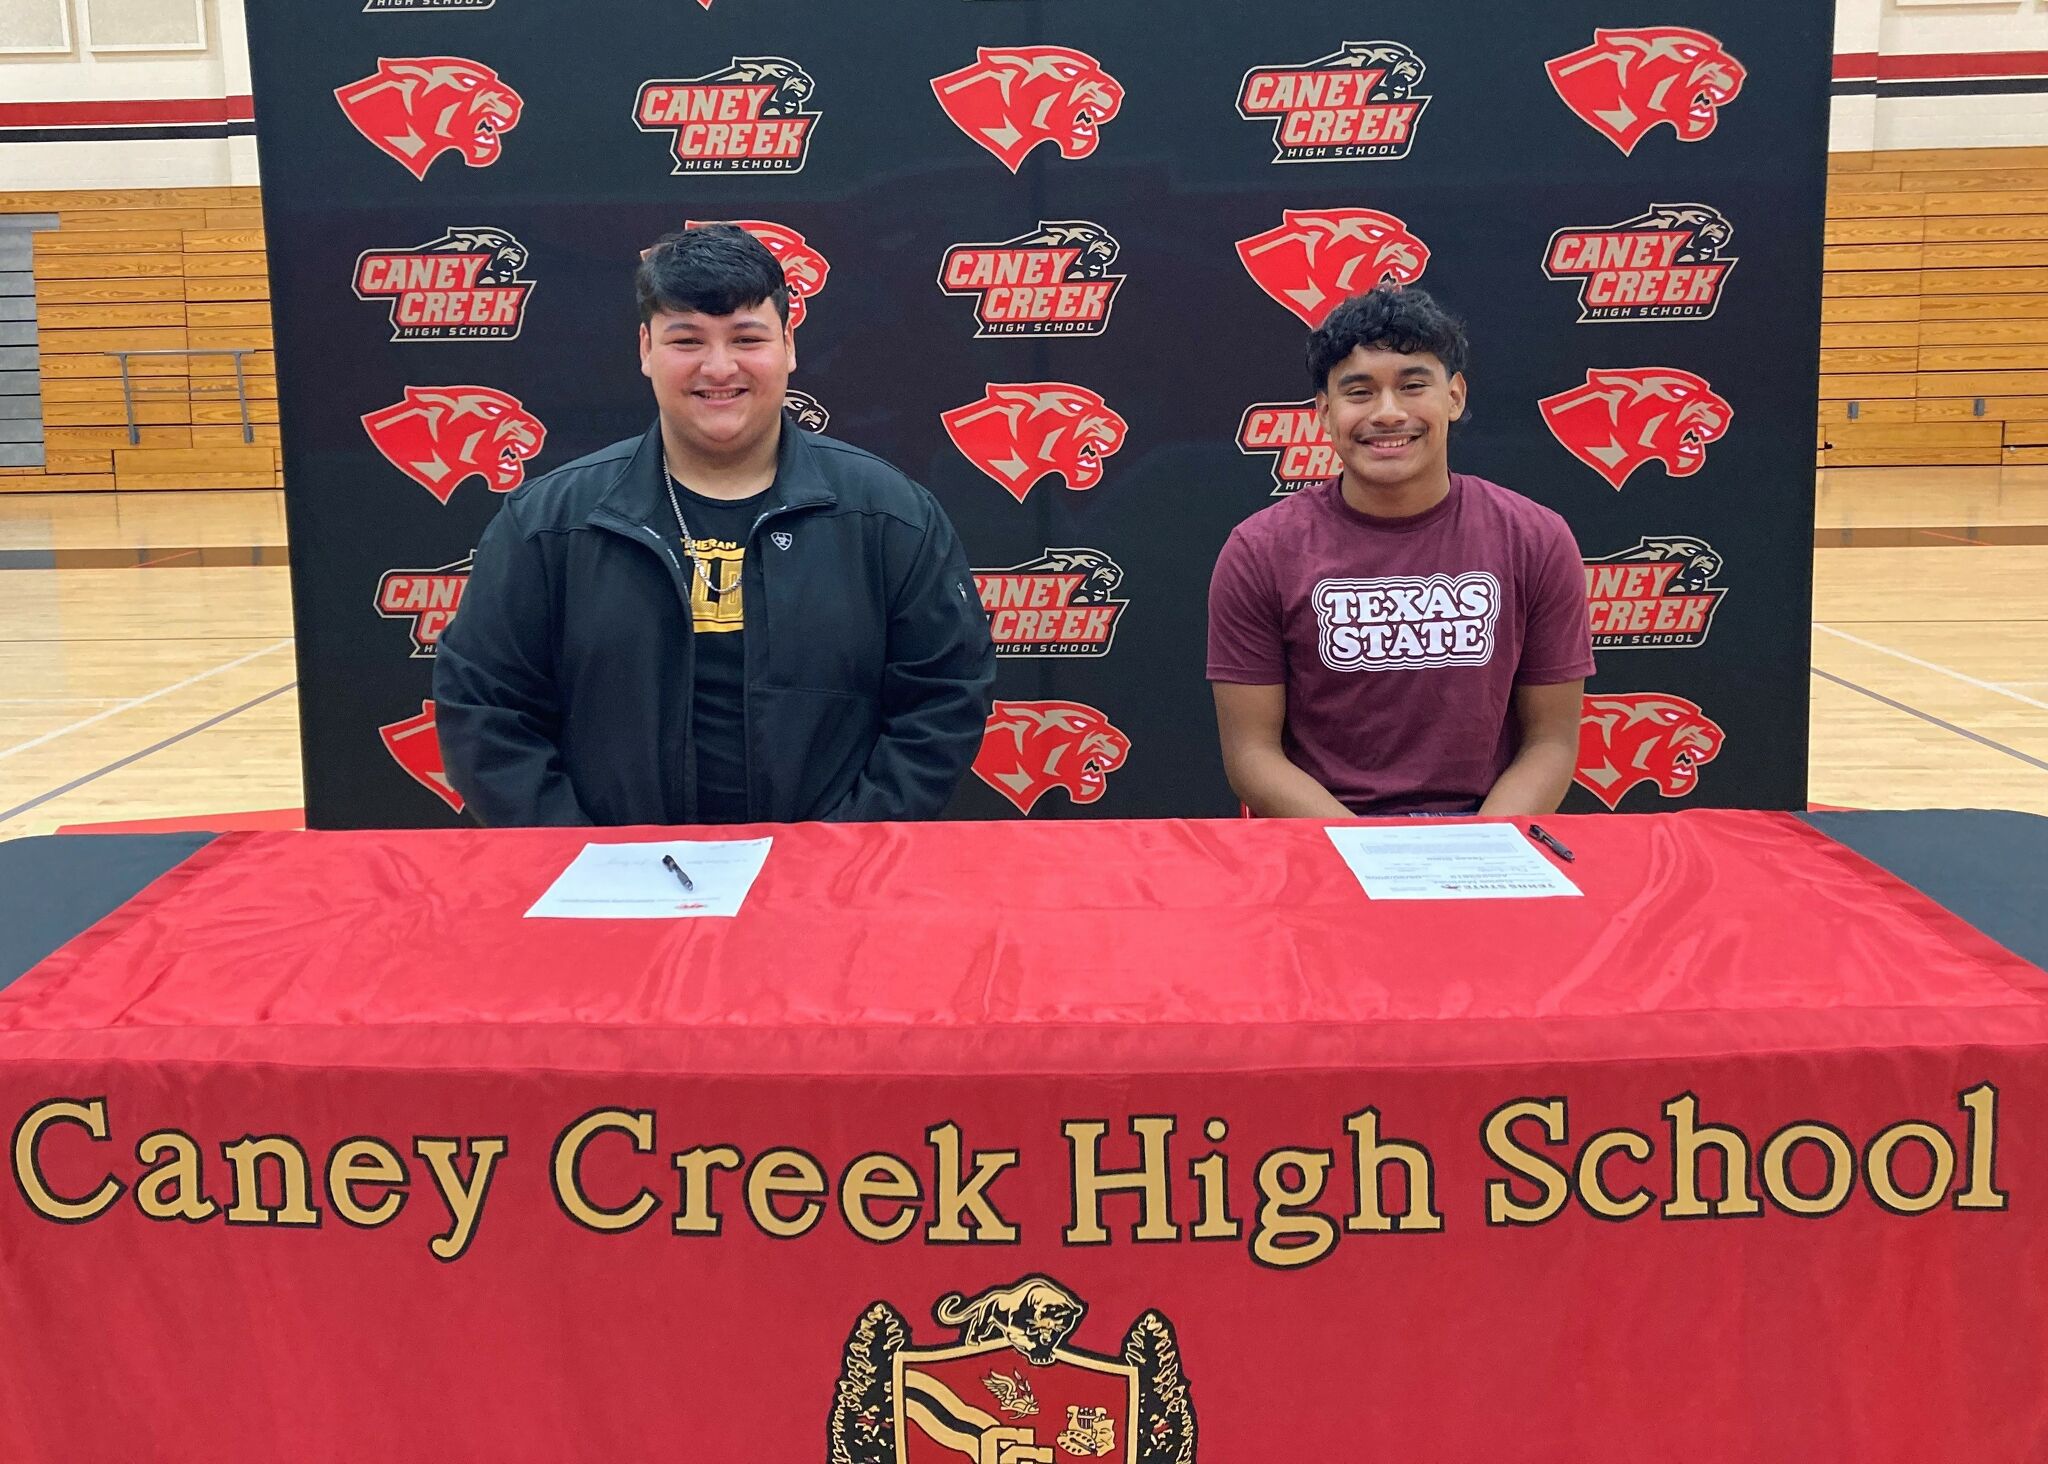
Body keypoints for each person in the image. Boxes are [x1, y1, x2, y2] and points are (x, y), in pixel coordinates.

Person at [434, 224, 996, 826]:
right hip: (609, 893)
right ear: (646, 348)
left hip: (828, 892)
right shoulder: (548, 524)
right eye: (688, 339)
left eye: (747, 338)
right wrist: (584, 859)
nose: (719, 367)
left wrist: (844, 853)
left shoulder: (890, 515)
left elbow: (943, 700)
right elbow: (484, 709)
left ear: (789, 345)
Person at [1206, 286, 1593, 818]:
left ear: (1454, 397)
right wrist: (1372, 857)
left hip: (1485, 835)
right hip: (1323, 840)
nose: (1388, 413)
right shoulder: (1259, 551)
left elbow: (1550, 743)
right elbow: (1252, 756)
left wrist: (1481, 849)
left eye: (1413, 386)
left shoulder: (1536, 538)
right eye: (1359, 392)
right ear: (1323, 412)